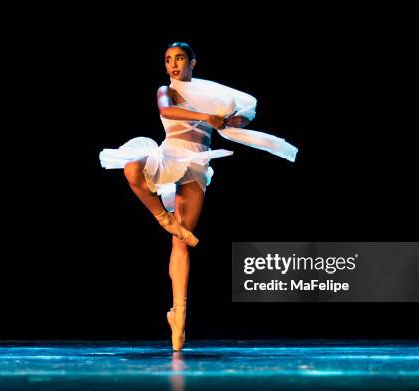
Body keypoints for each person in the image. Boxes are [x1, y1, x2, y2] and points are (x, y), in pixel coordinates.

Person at [99, 42, 298, 352]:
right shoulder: (167, 91)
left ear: (193, 62)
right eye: (168, 60)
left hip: (195, 164)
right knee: (131, 170)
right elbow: (166, 110)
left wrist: (233, 121)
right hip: (168, 156)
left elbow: (239, 117)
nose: (173, 64)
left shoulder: (213, 96)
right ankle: (164, 219)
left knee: (182, 242)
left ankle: (179, 315)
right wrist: (207, 117)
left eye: (179, 58)